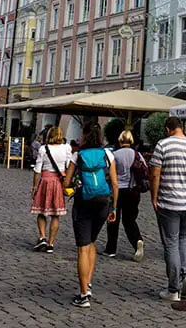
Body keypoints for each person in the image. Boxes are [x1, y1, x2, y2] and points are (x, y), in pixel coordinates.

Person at [150, 116, 186, 303]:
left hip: (169, 202)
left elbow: (155, 174)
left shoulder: (163, 145)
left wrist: (154, 197)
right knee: (184, 238)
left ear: (168, 129)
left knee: (170, 242)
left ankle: (173, 289)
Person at [64, 123, 118, 308]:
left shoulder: (78, 155)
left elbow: (66, 182)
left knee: (82, 248)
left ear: (85, 136)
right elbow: (115, 184)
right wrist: (114, 209)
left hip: (83, 203)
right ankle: (88, 283)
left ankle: (83, 294)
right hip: (103, 203)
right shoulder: (107, 154)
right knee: (92, 243)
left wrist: (72, 185)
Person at [103, 130, 145, 262]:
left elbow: (107, 172)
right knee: (129, 220)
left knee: (113, 218)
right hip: (132, 191)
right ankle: (137, 240)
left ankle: (111, 249)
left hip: (117, 190)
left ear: (120, 140)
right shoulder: (137, 154)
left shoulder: (114, 155)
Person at [31, 126, 72, 254]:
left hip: (45, 181)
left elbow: (38, 169)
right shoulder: (66, 148)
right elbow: (68, 166)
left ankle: (42, 237)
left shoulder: (44, 149)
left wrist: (35, 186)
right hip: (59, 183)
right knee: (55, 215)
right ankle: (50, 243)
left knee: (41, 212)